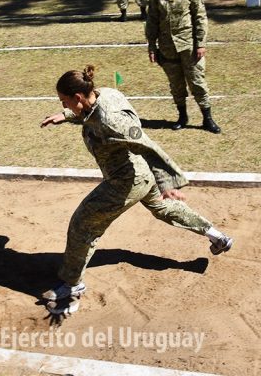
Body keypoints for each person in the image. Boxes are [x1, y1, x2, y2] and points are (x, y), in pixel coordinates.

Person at [39, 65, 233, 314]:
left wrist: (167, 182)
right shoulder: (103, 93)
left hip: (125, 181)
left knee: (83, 224)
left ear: (78, 97)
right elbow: (89, 115)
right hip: (140, 173)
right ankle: (217, 236)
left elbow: (145, 144)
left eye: (65, 102)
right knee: (163, 209)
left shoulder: (112, 121)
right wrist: (65, 116)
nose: (64, 106)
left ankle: (72, 286)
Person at [145, 0, 221, 134]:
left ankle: (207, 118)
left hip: (189, 45)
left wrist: (201, 43)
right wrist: (152, 46)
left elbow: (200, 16)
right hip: (167, 47)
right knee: (176, 85)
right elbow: (152, 20)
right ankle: (182, 116)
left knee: (197, 82)